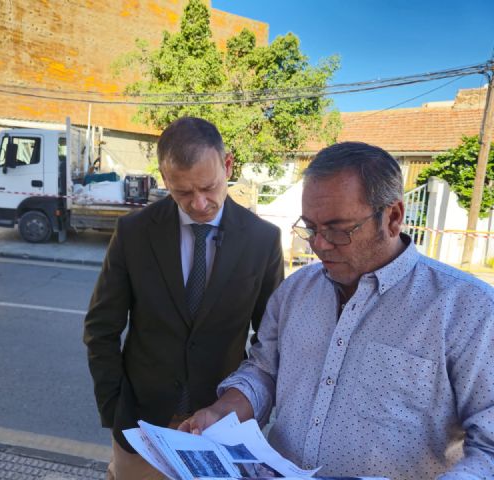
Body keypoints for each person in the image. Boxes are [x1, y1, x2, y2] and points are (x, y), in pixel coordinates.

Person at [180, 141, 494, 480]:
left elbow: (489, 447)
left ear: (393, 218)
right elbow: (264, 372)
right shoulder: (295, 291)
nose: (319, 244)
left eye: (338, 229)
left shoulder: (468, 309)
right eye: (311, 227)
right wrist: (223, 411)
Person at [83, 116, 284, 480]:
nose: (199, 203)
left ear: (227, 165)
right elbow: (101, 328)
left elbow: (269, 343)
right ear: (164, 178)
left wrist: (243, 409)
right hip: (141, 427)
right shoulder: (134, 232)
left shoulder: (262, 240)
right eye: (183, 192)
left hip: (220, 429)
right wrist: (114, 409)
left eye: (208, 187)